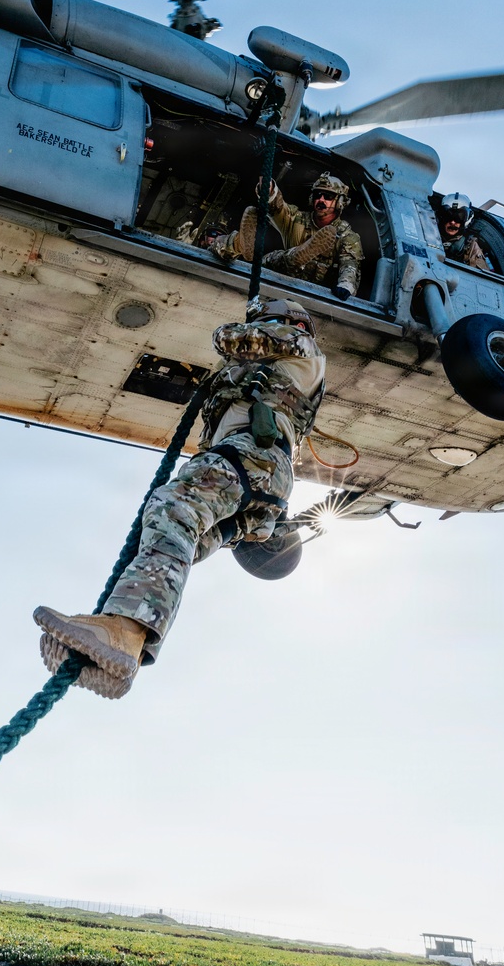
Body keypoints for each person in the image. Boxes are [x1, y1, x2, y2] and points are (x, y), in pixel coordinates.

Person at [34, 297, 326, 699]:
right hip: (262, 483)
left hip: (252, 459)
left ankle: (123, 631)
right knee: (174, 540)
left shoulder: (298, 343)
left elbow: (227, 338)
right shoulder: (280, 369)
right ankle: (127, 641)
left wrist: (241, 344)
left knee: (173, 510)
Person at [207, 173, 361, 300]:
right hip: (277, 270)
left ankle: (295, 255)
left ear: (340, 201)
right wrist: (269, 190)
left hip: (312, 289)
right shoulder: (297, 219)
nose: (320, 200)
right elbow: (279, 208)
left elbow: (350, 265)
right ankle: (238, 244)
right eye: (317, 195)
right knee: (224, 248)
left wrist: (346, 285)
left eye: (327, 196)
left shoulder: (346, 235)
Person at [437, 192, 490, 271]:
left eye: (459, 217)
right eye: (448, 216)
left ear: (467, 219)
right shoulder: (428, 235)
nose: (453, 222)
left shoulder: (470, 246)